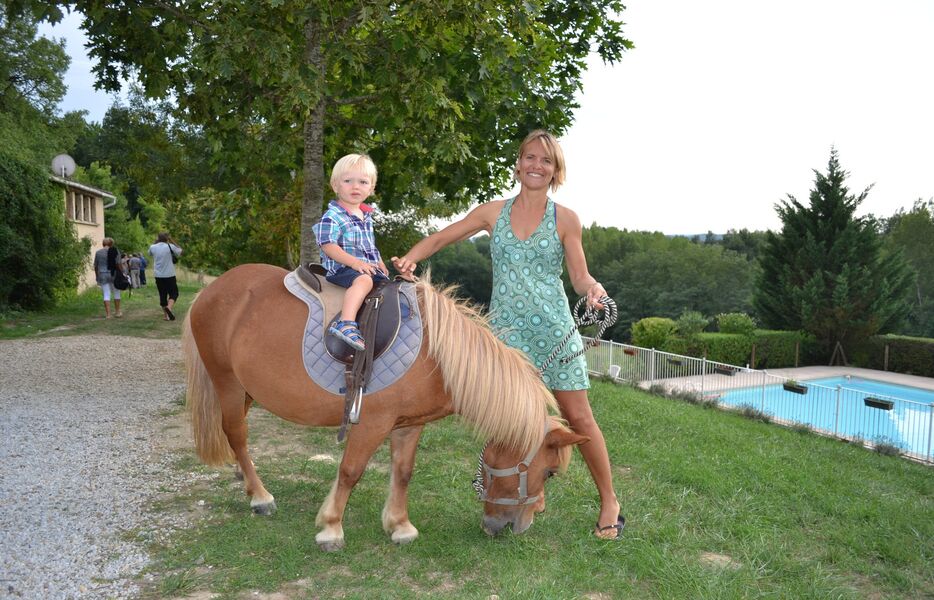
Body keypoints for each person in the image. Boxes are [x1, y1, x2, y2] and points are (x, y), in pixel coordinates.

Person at [392, 130, 624, 539]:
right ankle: (525, 493)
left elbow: (579, 274)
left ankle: (609, 501)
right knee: (512, 426)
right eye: (529, 157)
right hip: (506, 340)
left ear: (555, 171)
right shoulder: (492, 213)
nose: (536, 165)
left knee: (578, 417)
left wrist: (594, 290)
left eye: (546, 161)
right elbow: (448, 234)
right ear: (518, 165)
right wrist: (413, 256)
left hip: (555, 333)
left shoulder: (566, 219)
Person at [312, 153, 388, 351]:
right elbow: (328, 245)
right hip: (343, 268)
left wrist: (379, 262)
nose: (355, 186)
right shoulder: (333, 216)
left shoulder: (365, 215)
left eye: (363, 182)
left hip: (365, 267)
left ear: (371, 188)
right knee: (363, 281)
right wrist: (355, 263)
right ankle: (345, 323)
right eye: (348, 181)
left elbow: (369, 245)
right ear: (335, 185)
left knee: (389, 287)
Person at [149, 232, 183, 321]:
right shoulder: (170, 246)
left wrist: (156, 241)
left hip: (158, 275)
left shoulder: (153, 247)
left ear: (158, 238)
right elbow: (181, 251)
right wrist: (171, 240)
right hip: (169, 274)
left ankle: (166, 316)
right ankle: (169, 307)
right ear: (167, 239)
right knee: (174, 293)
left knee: (162, 294)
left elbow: (150, 253)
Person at [92, 237, 123, 318]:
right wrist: (122, 273)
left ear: (103, 244)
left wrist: (97, 276)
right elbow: (119, 264)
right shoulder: (116, 251)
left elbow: (96, 266)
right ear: (111, 244)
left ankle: (108, 314)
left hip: (103, 274)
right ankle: (117, 312)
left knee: (106, 294)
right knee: (116, 292)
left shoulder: (98, 252)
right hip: (114, 274)